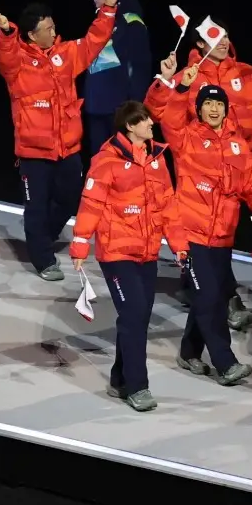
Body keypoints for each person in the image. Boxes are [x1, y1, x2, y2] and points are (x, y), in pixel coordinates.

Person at [147, 65, 252, 386]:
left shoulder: (237, 144)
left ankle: (189, 352)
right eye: (208, 103)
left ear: (226, 109)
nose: (214, 109)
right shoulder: (185, 137)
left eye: (219, 103)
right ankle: (225, 363)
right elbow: (169, 119)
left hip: (222, 237)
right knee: (208, 299)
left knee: (212, 296)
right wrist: (180, 90)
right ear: (199, 108)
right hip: (190, 235)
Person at [0, 0, 119, 282]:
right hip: (33, 151)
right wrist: (7, 33)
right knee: (36, 207)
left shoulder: (66, 53)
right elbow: (4, 56)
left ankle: (42, 237)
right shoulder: (17, 64)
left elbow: (94, 40)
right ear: (31, 35)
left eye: (53, 26)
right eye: (47, 29)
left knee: (70, 198)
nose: (54, 32)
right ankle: (43, 259)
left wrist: (108, 10)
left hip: (68, 148)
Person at [68, 100, 184, 412]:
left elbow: (169, 205)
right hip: (117, 252)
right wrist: (80, 245)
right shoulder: (106, 161)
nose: (151, 123)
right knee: (133, 314)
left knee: (138, 318)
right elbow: (91, 204)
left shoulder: (158, 158)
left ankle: (120, 378)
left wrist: (179, 245)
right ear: (130, 126)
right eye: (144, 120)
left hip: (147, 251)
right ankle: (137, 386)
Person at [82, 0, 152, 159]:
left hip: (119, 113)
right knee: (100, 163)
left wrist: (133, 110)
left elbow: (139, 69)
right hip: (97, 108)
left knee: (122, 163)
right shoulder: (102, 20)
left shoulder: (131, 23)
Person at [179, 23, 252, 132]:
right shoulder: (186, 77)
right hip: (201, 146)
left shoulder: (246, 72)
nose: (224, 42)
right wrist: (167, 81)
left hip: (244, 146)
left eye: (225, 36)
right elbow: (169, 118)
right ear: (200, 43)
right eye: (216, 37)